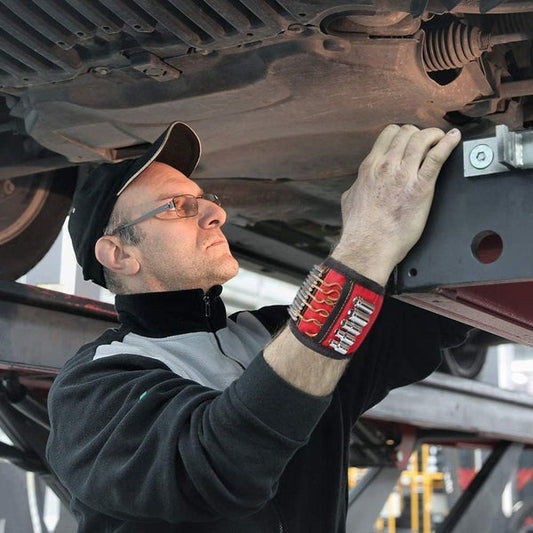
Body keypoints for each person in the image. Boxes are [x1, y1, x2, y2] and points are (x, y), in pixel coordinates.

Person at [46, 121, 464, 532]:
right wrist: (366, 243)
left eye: (204, 198)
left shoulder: (273, 332)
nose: (216, 212)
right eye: (177, 206)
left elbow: (439, 313)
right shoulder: (93, 389)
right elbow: (223, 465)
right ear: (119, 255)